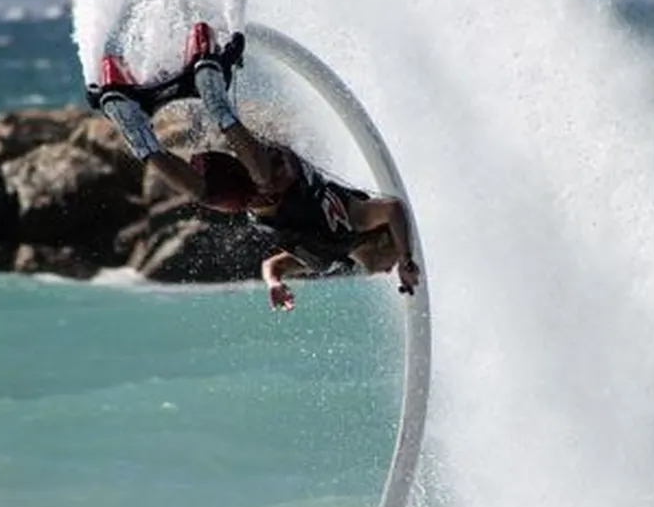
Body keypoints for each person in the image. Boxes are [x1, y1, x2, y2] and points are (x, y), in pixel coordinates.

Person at [92, 23, 421, 311]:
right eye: (393, 262)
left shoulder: (331, 259)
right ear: (385, 242)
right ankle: (214, 97)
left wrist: (274, 284)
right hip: (284, 174)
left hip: (254, 202)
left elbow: (272, 266)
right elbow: (393, 209)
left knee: (207, 195)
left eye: (395, 268)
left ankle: (136, 130)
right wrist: (407, 259)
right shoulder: (359, 219)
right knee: (266, 180)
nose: (389, 270)